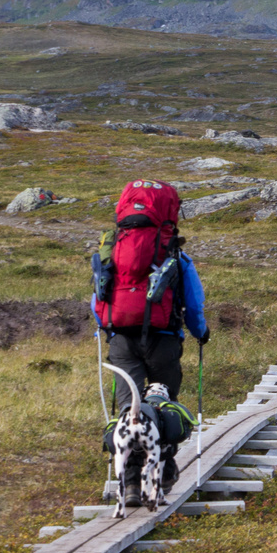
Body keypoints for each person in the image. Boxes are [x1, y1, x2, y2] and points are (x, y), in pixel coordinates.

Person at [91, 180, 209, 503]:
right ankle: (165, 470)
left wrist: (110, 328)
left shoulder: (113, 251)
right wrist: (201, 333)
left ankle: (129, 484)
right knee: (162, 404)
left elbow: (97, 301)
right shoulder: (175, 256)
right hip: (165, 341)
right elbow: (194, 304)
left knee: (129, 407)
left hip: (121, 341)